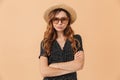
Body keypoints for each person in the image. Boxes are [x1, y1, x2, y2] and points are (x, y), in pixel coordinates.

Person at [38, 3, 84, 80]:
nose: (60, 23)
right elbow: (44, 71)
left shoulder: (76, 40)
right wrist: (71, 67)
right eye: (56, 19)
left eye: (63, 19)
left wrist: (54, 66)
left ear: (68, 21)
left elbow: (79, 65)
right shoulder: (45, 42)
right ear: (51, 21)